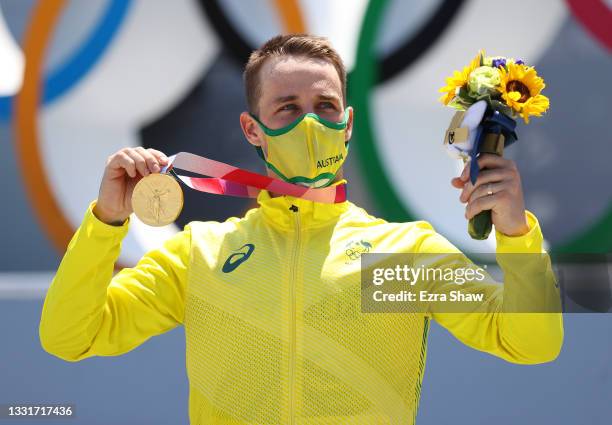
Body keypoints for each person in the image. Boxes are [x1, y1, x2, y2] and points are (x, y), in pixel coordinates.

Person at [39, 34, 563, 424]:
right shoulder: (202, 253)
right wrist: (106, 221)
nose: (310, 124)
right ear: (253, 130)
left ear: (348, 123)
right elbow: (70, 336)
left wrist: (516, 234)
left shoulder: (397, 256)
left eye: (325, 107)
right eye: (287, 109)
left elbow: (529, 343)